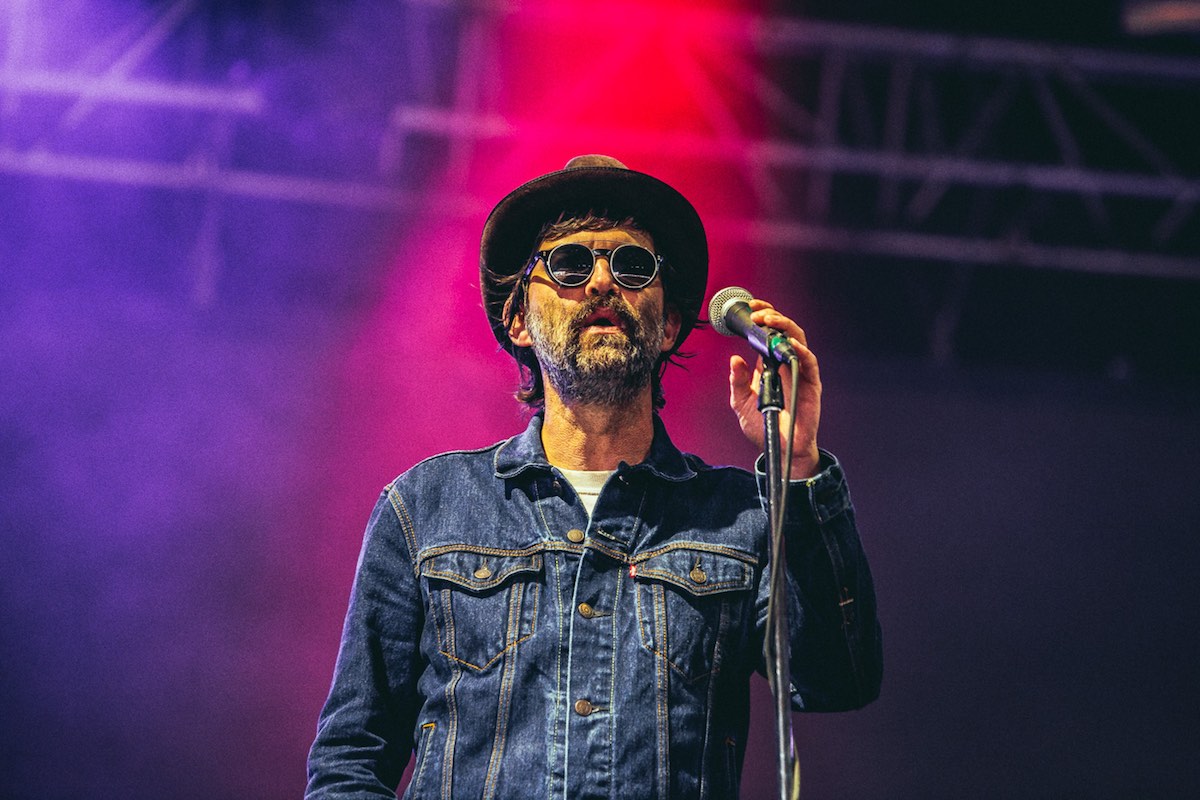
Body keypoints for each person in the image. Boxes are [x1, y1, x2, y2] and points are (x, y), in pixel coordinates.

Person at [305, 155, 882, 799]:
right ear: (519, 322)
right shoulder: (424, 508)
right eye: (570, 264)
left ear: (668, 326)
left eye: (632, 266)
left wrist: (798, 470)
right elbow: (352, 757)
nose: (603, 282)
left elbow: (838, 678)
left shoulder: (742, 516)